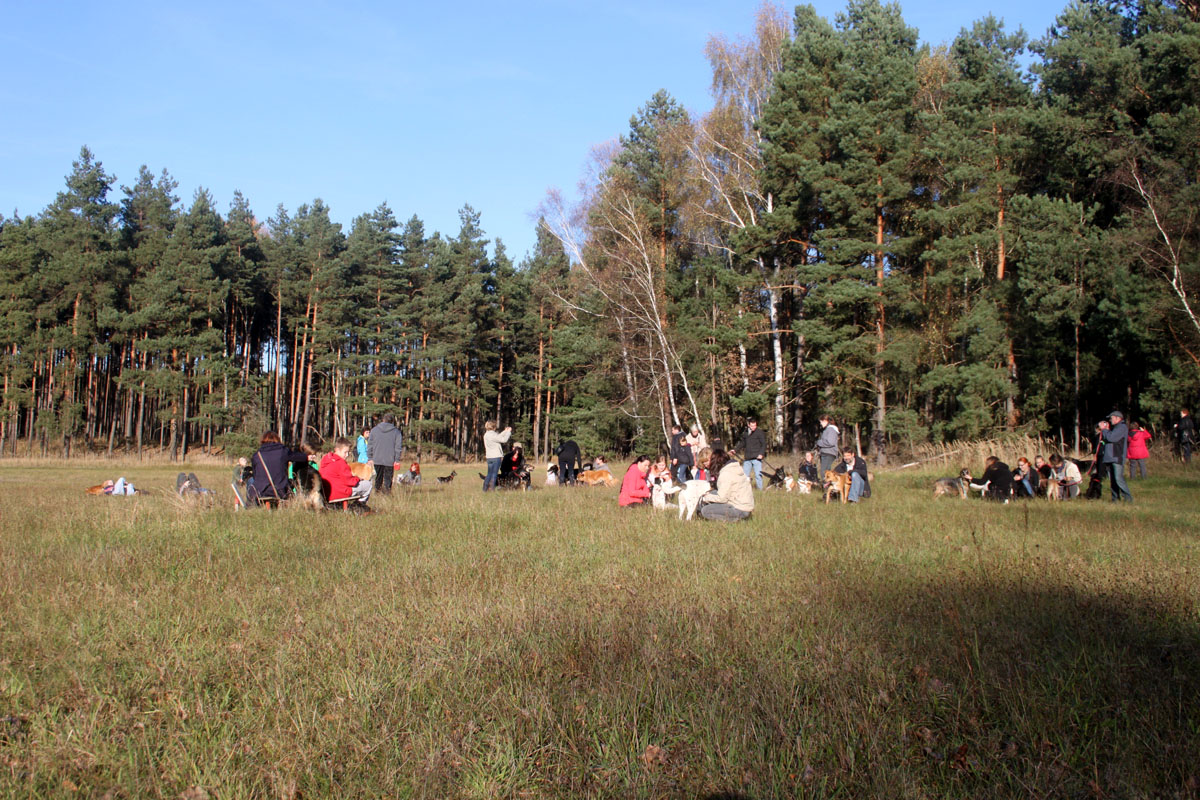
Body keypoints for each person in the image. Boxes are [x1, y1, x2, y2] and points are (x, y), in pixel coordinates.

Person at [248, 431, 309, 504]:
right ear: (277, 439)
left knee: (250, 480)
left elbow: (255, 475)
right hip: (280, 491)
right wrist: (307, 456)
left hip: (260, 491)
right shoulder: (283, 451)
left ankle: (251, 504)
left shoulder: (257, 455)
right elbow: (300, 457)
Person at [699, 448, 754, 521]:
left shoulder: (725, 474)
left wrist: (706, 498)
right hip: (746, 506)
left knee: (705, 511)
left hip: (739, 509)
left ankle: (734, 520)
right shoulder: (735, 468)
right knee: (713, 493)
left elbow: (722, 498)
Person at [319, 437, 373, 505]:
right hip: (338, 493)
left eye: (348, 452)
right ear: (337, 450)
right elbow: (350, 482)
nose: (347, 455)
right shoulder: (340, 463)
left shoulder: (326, 459)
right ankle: (359, 505)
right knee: (368, 484)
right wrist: (358, 479)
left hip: (326, 493)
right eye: (345, 452)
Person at [1098, 410, 1133, 502]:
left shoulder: (1122, 427)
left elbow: (1111, 438)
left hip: (1117, 457)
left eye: (1111, 418)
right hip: (1110, 457)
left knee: (1118, 479)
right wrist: (1106, 430)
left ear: (1118, 418)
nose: (1110, 420)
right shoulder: (1115, 428)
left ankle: (1128, 499)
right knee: (1113, 481)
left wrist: (1104, 429)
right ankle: (1115, 499)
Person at [367, 413, 404, 494]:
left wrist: (370, 457)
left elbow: (370, 445)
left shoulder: (374, 430)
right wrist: (397, 460)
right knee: (388, 479)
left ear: (383, 420)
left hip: (377, 459)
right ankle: (387, 494)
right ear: (392, 421)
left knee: (378, 478)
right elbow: (398, 448)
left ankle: (377, 492)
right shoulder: (396, 432)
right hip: (390, 459)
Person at [736, 419, 767, 490]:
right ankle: (743, 490)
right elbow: (742, 443)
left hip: (757, 458)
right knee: (744, 476)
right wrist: (735, 450)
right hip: (747, 458)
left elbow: (764, 444)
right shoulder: (746, 433)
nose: (753, 427)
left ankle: (760, 490)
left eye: (755, 425)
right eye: (752, 426)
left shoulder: (759, 432)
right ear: (748, 425)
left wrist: (761, 454)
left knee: (758, 475)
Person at [482, 420, 512, 491]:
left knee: (489, 474)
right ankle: (492, 489)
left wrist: (505, 431)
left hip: (489, 457)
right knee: (494, 474)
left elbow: (498, 437)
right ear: (494, 427)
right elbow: (503, 440)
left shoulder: (486, 434)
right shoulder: (493, 435)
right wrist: (508, 432)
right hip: (496, 457)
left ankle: (484, 489)